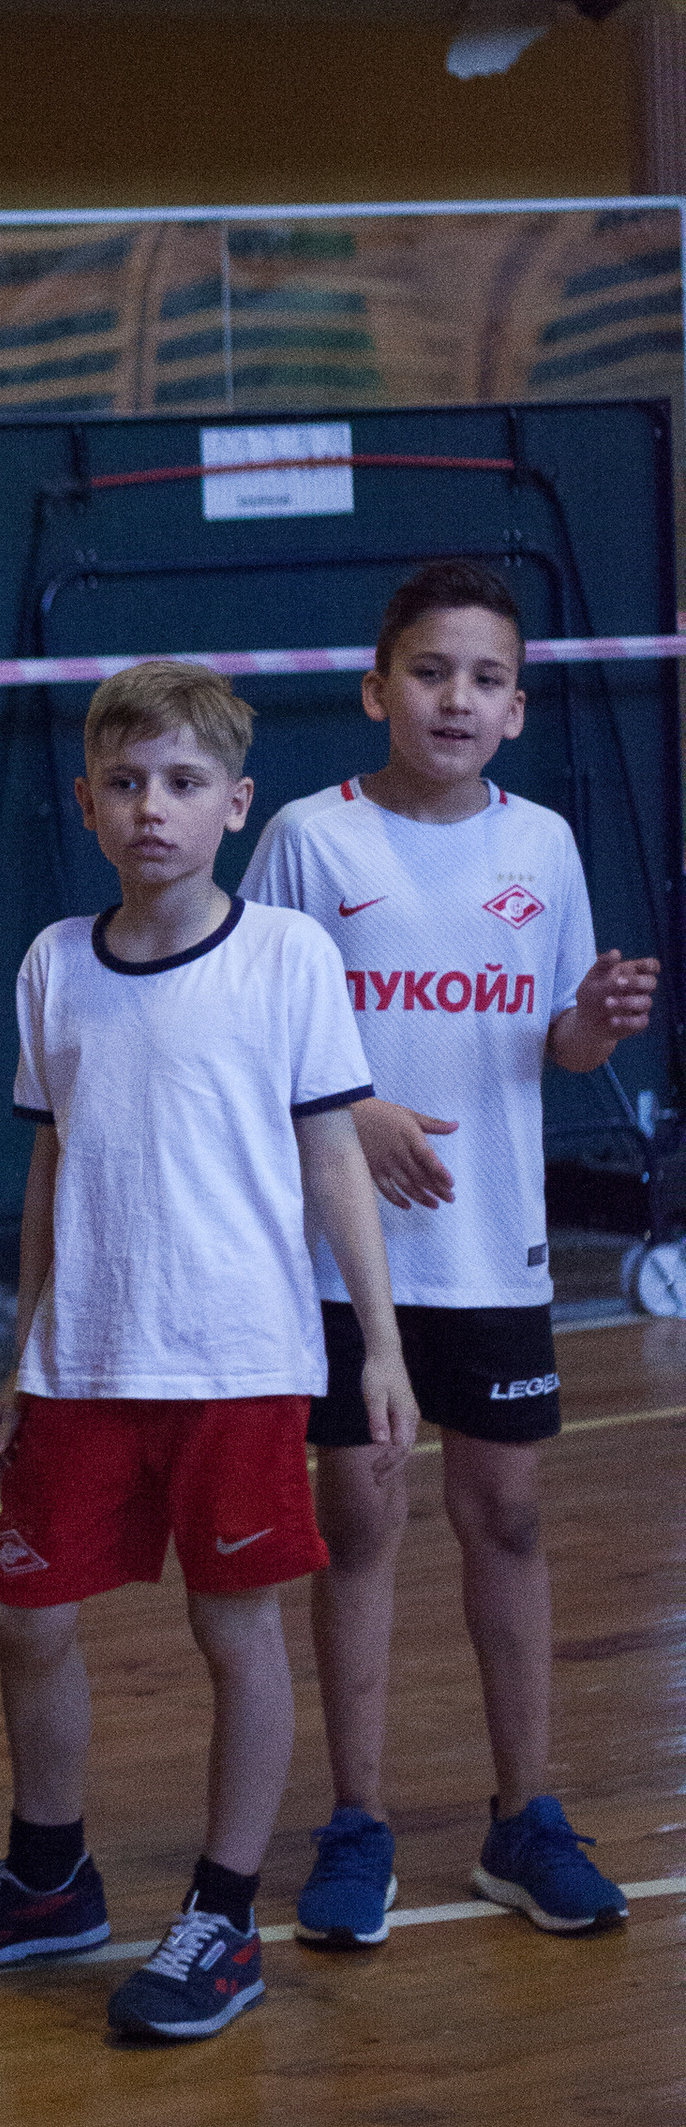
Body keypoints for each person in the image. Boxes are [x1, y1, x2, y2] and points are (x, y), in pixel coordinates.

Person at [0, 660, 414, 2042]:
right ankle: (50, 1877)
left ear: (234, 804)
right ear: (88, 802)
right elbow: (53, 1170)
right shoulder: (54, 962)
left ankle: (222, 1919)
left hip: (239, 1362)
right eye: (125, 784)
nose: (151, 809)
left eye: (181, 784)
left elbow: (334, 1160)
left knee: (233, 1629)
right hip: (82, 1366)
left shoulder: (287, 955)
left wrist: (379, 1347)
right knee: (22, 1616)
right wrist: (18, 1354)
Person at [243, 560, 656, 1945]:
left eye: (485, 678)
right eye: (431, 672)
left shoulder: (541, 847)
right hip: (344, 1266)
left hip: (493, 1253)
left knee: (512, 1521)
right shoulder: (310, 836)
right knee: (359, 1518)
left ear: (519, 708)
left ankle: (522, 1816)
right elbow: (252, 1025)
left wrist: (598, 1017)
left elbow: (562, 1042)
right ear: (378, 690)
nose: (456, 698)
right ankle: (354, 1821)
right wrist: (351, 1114)